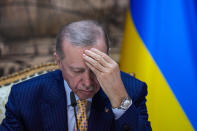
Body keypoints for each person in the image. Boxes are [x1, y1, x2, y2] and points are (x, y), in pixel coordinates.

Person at [0, 20, 151, 131]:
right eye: (77, 71)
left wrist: (120, 99)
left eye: (95, 69)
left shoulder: (131, 90)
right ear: (58, 61)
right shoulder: (25, 96)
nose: (87, 82)